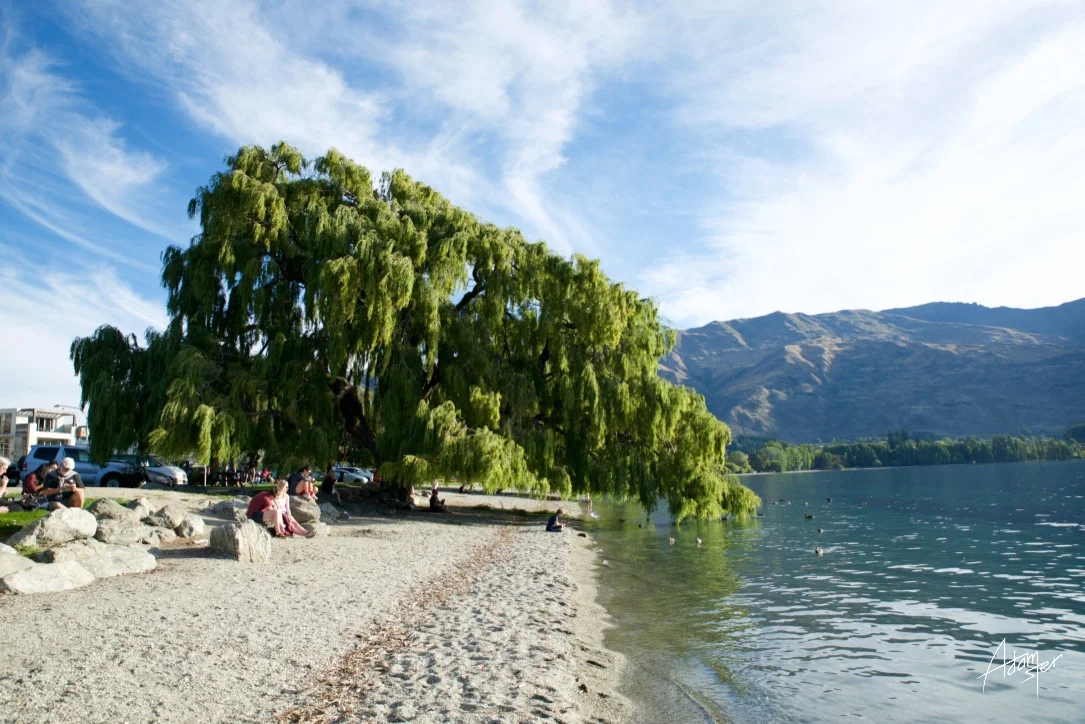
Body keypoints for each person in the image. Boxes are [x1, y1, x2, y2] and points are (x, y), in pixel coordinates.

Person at [247, 480, 313, 537]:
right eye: (275, 497)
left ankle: (282, 531)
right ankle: (279, 532)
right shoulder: (266, 498)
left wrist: (284, 519)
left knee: (282, 515)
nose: (275, 499)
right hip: (253, 515)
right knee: (277, 512)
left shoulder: (266, 495)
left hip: (255, 513)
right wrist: (281, 524)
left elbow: (276, 510)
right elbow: (272, 511)